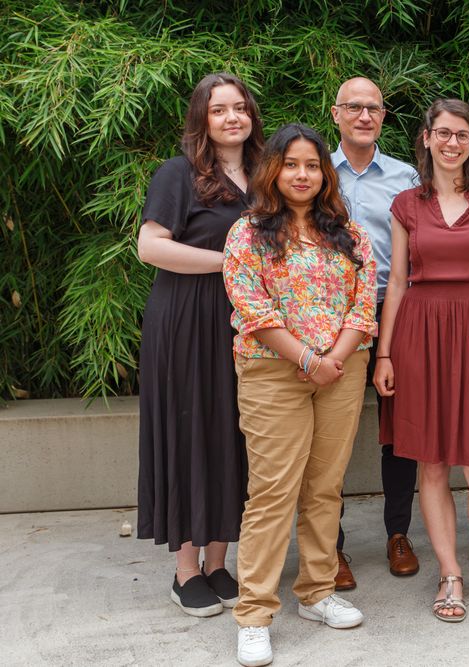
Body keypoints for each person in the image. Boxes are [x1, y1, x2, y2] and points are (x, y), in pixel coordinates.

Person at [223, 124, 376, 666]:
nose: (303, 174)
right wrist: (310, 359)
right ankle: (254, 613)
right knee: (272, 492)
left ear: (324, 173)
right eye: (292, 164)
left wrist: (334, 359)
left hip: (342, 369)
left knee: (324, 486)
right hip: (272, 372)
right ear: (273, 170)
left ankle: (316, 591)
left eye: (312, 165)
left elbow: (365, 301)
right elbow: (252, 309)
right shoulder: (248, 232)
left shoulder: (348, 232)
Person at [374, 99, 469, 622]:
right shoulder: (405, 204)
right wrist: (385, 353)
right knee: (432, 464)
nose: (452, 142)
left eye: (462, 134)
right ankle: (450, 573)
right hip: (420, 333)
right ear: (427, 138)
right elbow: (395, 281)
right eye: (443, 133)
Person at [136, 72, 263, 618]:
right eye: (219, 110)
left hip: (245, 322)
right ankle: (186, 567)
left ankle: (218, 561)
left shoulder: (267, 176)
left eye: (240, 108)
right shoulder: (178, 174)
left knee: (235, 431)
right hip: (187, 319)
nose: (232, 117)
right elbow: (150, 247)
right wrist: (229, 263)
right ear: (201, 120)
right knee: (192, 430)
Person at [330, 76, 421, 588]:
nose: (365, 116)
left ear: (384, 117)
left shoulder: (406, 178)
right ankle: (332, 545)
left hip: (394, 308)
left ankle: (398, 533)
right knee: (332, 433)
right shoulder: (314, 170)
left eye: (374, 109)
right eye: (354, 107)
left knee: (399, 432)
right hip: (330, 314)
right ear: (336, 114)